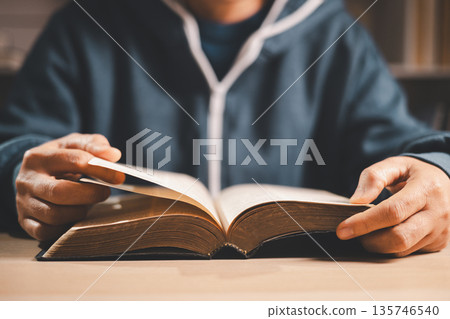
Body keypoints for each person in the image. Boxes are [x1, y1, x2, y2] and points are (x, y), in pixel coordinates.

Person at [0, 0, 448, 257]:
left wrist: (436, 170)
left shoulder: (337, 35)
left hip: (298, 295)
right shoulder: (83, 25)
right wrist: (18, 177)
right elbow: (20, 151)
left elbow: (403, 152)